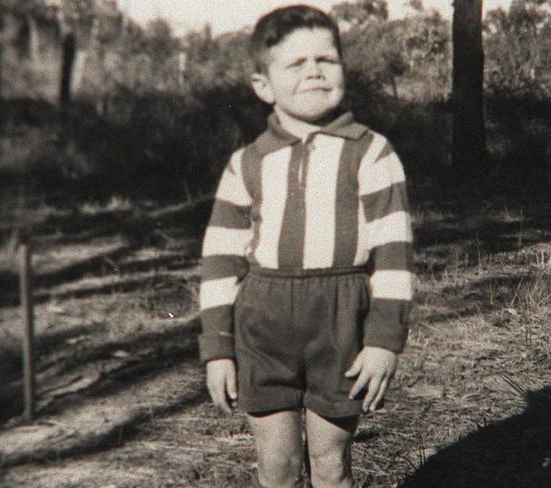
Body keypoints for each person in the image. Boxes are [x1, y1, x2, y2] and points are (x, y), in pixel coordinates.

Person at [199, 5, 414, 487]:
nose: (314, 71)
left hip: (340, 320)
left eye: (327, 59)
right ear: (263, 86)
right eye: (296, 63)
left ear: (343, 68)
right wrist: (218, 346)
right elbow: (219, 262)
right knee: (276, 466)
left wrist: (383, 340)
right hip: (262, 324)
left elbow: (395, 255)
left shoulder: (372, 152)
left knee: (331, 463)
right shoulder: (247, 163)